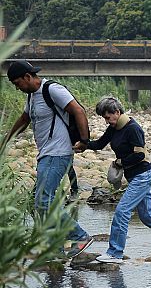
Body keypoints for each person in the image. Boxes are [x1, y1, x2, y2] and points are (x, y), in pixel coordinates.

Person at [76, 96, 151, 263]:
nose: (107, 121)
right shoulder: (114, 127)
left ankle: (115, 253)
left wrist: (120, 162)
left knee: (122, 211)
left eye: (108, 117)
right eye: (104, 118)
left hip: (143, 176)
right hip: (135, 176)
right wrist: (82, 144)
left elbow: (140, 155)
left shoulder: (132, 128)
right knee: (147, 216)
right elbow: (100, 144)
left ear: (117, 112)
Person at [3, 60, 93, 257]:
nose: (18, 88)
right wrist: (5, 141)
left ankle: (80, 236)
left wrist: (85, 141)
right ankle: (56, 249)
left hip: (58, 153)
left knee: (43, 201)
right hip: (46, 155)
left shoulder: (52, 90)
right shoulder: (32, 97)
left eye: (18, 83)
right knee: (40, 202)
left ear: (28, 77)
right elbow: (24, 120)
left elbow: (78, 110)